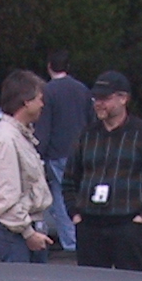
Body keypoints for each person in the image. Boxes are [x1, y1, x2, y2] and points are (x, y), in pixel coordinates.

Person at [61, 71, 142, 273]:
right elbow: (69, 180)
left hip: (128, 225)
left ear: (123, 98)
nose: (98, 104)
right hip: (90, 225)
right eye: (96, 99)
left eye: (105, 98)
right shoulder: (86, 135)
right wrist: (75, 214)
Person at [0, 70, 54, 262]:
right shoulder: (6, 140)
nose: (42, 104)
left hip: (26, 228)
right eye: (39, 99)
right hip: (14, 234)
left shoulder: (21, 136)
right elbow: (6, 197)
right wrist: (28, 234)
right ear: (26, 102)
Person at [35, 51, 93, 251]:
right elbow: (91, 121)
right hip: (82, 152)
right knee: (80, 196)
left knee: (61, 197)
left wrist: (39, 153)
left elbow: (44, 127)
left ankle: (72, 243)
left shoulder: (47, 91)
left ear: (49, 66)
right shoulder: (82, 90)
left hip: (58, 153)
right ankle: (85, 238)